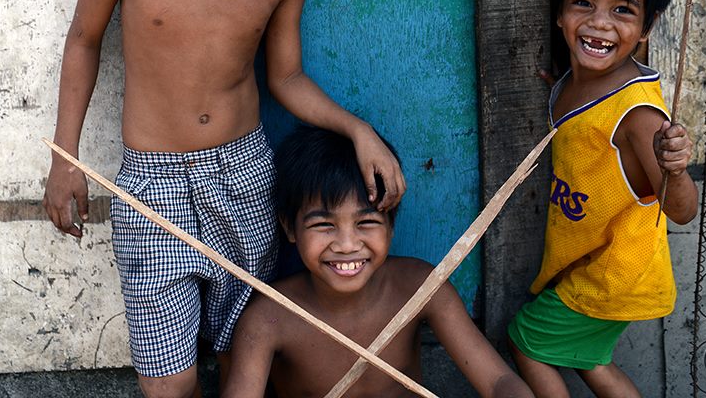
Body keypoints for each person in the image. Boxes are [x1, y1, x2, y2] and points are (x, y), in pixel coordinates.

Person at [42, 0, 405, 398]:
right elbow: (84, 40)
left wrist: (359, 131)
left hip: (244, 176)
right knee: (170, 381)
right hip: (151, 189)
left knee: (246, 356)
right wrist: (64, 158)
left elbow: (286, 79)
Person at [507, 0, 698, 398]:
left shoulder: (639, 115)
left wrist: (675, 169)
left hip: (615, 272)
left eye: (622, 10)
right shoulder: (579, 80)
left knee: (527, 342)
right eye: (583, 4)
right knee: (590, 359)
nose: (599, 23)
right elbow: (583, 116)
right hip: (592, 260)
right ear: (559, 12)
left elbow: (682, 211)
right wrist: (560, 87)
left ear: (648, 26)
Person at [225, 128, 533, 398]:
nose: (347, 245)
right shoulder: (268, 319)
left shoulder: (421, 288)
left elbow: (498, 381)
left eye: (366, 222)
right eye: (323, 225)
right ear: (290, 228)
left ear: (391, 225)